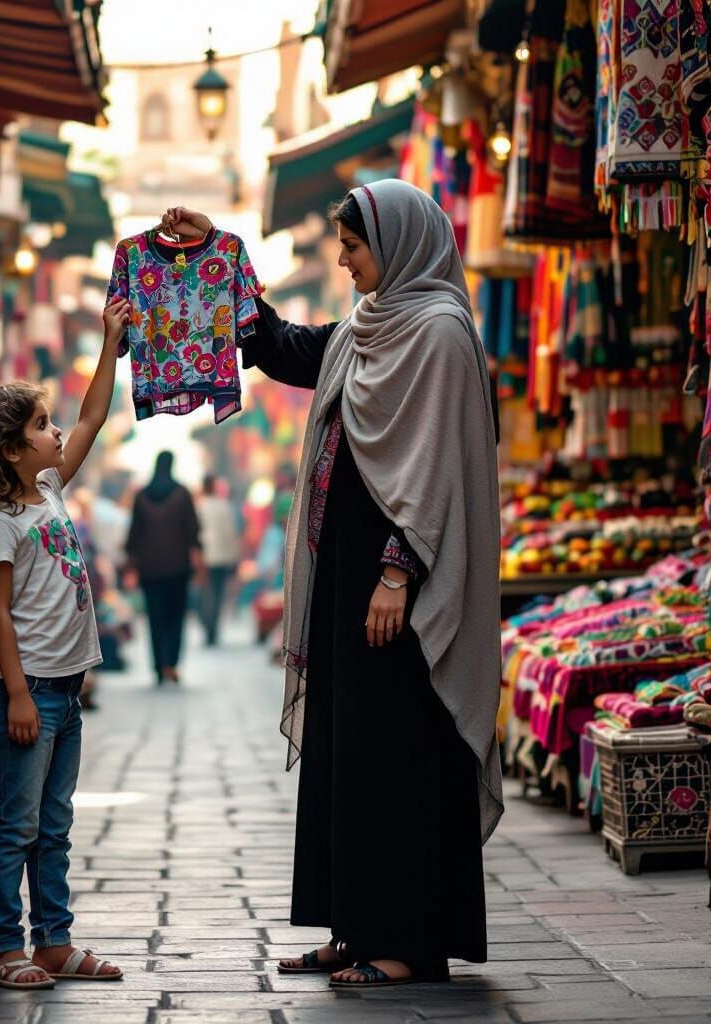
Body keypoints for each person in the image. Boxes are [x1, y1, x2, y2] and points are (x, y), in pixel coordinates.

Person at [159, 185, 503, 988]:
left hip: (402, 585)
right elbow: (279, 345)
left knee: (397, 757)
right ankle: (355, 926)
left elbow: (436, 470)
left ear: (401, 242)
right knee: (349, 752)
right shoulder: (365, 329)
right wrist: (218, 252)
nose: (344, 260)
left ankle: (408, 942)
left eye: (355, 245)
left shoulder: (441, 333)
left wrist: (397, 571)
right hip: (346, 572)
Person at [0, 298, 132, 990]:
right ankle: (0, 948)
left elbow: (92, 417)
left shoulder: (46, 488)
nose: (55, 434)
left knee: (55, 823)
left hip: (64, 689)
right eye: (40, 426)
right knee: (15, 825)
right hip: (27, 693)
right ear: (12, 451)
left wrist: (112, 342)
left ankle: (53, 940)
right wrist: (16, 692)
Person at [126, 451, 203, 685]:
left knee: (155, 619)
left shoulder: (141, 497)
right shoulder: (182, 494)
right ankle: (171, 663)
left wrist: (132, 566)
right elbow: (193, 531)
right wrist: (197, 559)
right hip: (178, 568)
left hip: (149, 570)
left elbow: (134, 536)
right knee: (175, 617)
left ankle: (159, 665)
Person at [195, 474, 241, 645]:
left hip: (205, 557)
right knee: (217, 594)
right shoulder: (224, 506)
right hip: (221, 557)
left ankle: (209, 627)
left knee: (206, 595)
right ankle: (212, 628)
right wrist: (233, 557)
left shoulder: (198, 506)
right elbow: (231, 534)